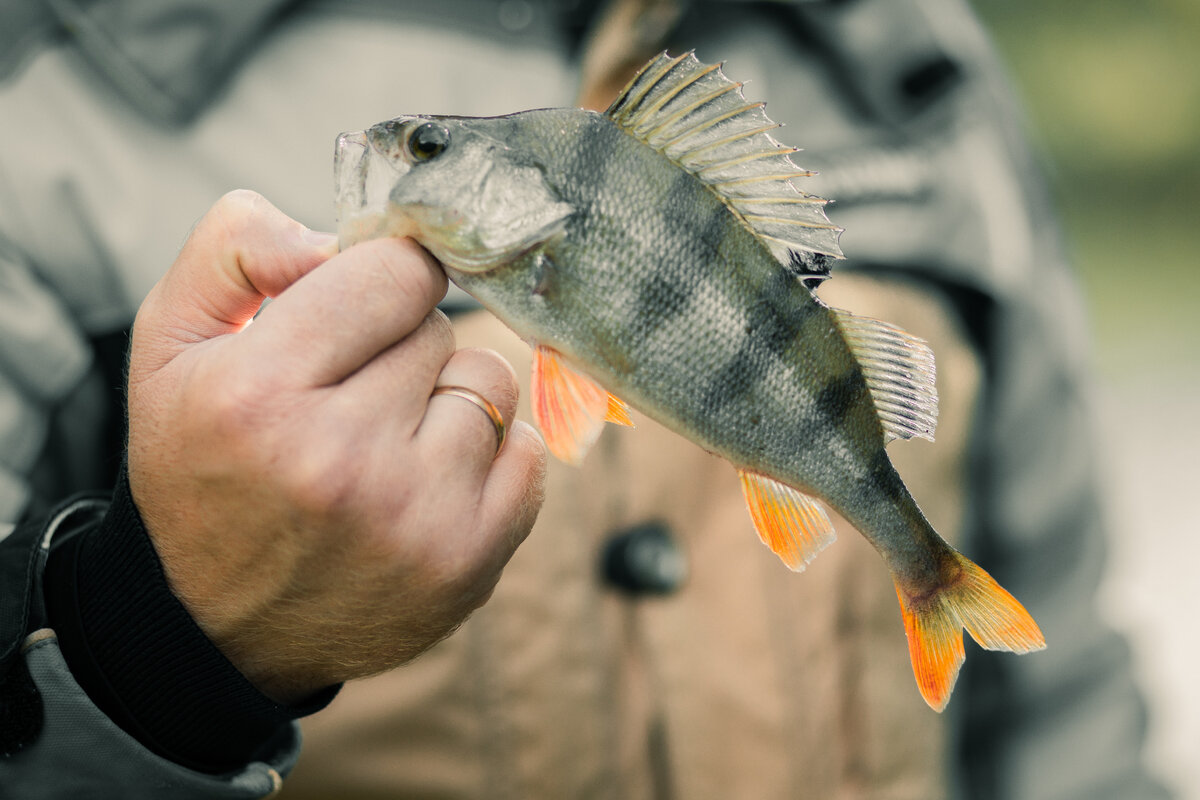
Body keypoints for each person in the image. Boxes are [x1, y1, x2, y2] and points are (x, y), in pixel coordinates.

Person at [0, 0, 1170, 798]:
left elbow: (1072, 733)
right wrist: (152, 640)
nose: (398, 157)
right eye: (417, 146)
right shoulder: (44, 98)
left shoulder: (910, 63)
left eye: (423, 148)